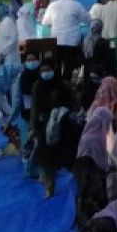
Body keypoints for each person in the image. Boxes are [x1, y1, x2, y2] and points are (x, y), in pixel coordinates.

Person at [30, 58, 77, 198]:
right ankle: (50, 188)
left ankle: (76, 184)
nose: (45, 73)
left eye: (48, 70)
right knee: (46, 159)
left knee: (67, 156)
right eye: (43, 70)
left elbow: (73, 103)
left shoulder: (63, 85)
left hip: (63, 126)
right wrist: (33, 128)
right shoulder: (38, 86)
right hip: (44, 127)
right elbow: (35, 108)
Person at [74, 107, 113, 225]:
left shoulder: (90, 134)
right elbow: (98, 162)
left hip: (87, 177)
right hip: (90, 179)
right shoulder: (94, 139)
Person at [43, 0, 88, 82]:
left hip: (56, 40)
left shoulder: (53, 5)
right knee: (69, 67)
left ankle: (58, 85)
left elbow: (45, 23)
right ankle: (67, 86)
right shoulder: (76, 5)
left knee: (57, 66)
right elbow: (87, 19)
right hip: (71, 42)